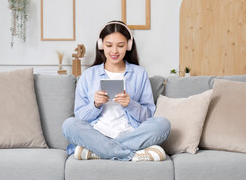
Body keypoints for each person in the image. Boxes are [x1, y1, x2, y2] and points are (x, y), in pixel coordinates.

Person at [62, 20, 171, 161]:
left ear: (129, 46)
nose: (114, 51)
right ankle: (132, 155)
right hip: (97, 134)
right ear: (101, 45)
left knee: (163, 124)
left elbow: (148, 115)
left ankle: (99, 152)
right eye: (109, 45)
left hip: (131, 134)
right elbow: (79, 117)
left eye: (120, 45)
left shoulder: (140, 73)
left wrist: (130, 104)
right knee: (68, 125)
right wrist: (95, 105)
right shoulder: (88, 75)